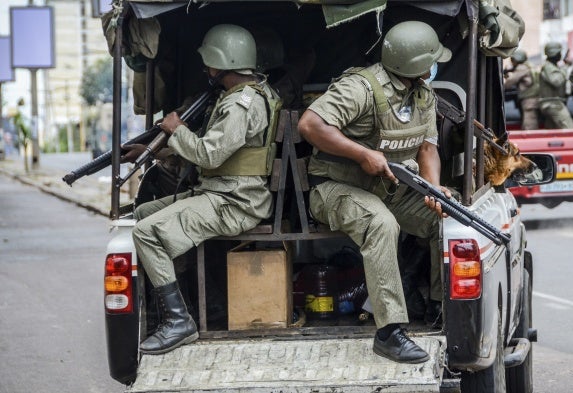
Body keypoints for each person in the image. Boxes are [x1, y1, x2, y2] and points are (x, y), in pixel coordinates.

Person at [297, 20, 452, 364]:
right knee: (381, 223)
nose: (433, 65)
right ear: (413, 65)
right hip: (334, 189)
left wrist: (433, 189)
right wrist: (361, 153)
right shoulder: (361, 89)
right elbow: (310, 124)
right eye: (430, 60)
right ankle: (389, 332)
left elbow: (427, 148)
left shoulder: (423, 94)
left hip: (388, 189)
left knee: (445, 219)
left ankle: (443, 309)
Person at [127, 24, 281, 355]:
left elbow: (209, 153)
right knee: (143, 213)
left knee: (146, 233)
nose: (206, 66)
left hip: (235, 203)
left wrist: (176, 129)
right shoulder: (247, 95)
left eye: (209, 59)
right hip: (223, 193)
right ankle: (191, 302)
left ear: (222, 62)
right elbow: (213, 151)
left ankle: (179, 321)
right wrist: (153, 151)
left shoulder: (240, 103)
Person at [538, 42, 573, 129]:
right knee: (569, 129)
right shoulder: (548, 67)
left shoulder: (553, 66)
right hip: (553, 104)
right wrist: (566, 66)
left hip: (553, 103)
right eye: (559, 53)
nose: (560, 55)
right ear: (554, 53)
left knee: (553, 132)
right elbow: (556, 81)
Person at [504, 49, 540, 130]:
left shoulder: (522, 68)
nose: (512, 62)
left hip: (529, 100)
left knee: (529, 125)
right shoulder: (529, 65)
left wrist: (502, 85)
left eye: (513, 60)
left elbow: (510, 82)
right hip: (533, 98)